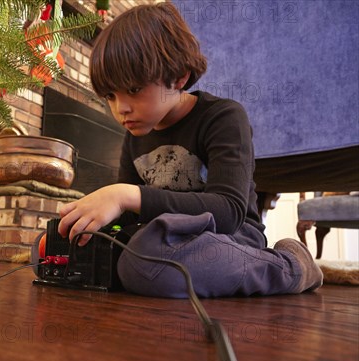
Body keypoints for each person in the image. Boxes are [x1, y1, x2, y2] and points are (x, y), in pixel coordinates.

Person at [57, 2, 323, 298]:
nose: (122, 109)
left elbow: (229, 211)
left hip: (228, 238)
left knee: (150, 264)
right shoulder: (135, 135)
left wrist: (125, 195)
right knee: (57, 250)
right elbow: (132, 221)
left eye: (133, 90)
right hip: (165, 239)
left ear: (179, 77)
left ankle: (290, 265)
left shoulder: (223, 117)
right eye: (110, 95)